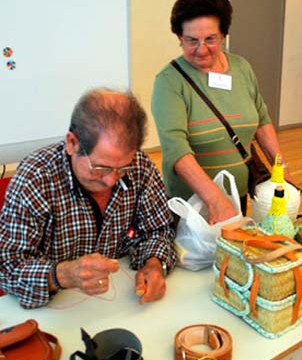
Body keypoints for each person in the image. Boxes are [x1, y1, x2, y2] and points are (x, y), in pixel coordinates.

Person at [0, 88, 176, 309]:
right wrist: (62, 275)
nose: (111, 181)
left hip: (120, 301)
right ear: (72, 143)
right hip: (56, 311)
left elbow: (158, 230)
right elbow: (7, 267)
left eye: (122, 169)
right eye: (100, 168)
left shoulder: (140, 166)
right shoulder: (36, 179)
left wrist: (155, 263)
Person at [152, 0, 293, 221]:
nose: (201, 50)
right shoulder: (169, 81)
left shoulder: (241, 68)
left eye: (211, 39)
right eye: (191, 40)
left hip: (238, 194)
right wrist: (215, 199)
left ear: (224, 34)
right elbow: (176, 150)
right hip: (195, 205)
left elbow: (261, 121)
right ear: (178, 36)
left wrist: (282, 171)